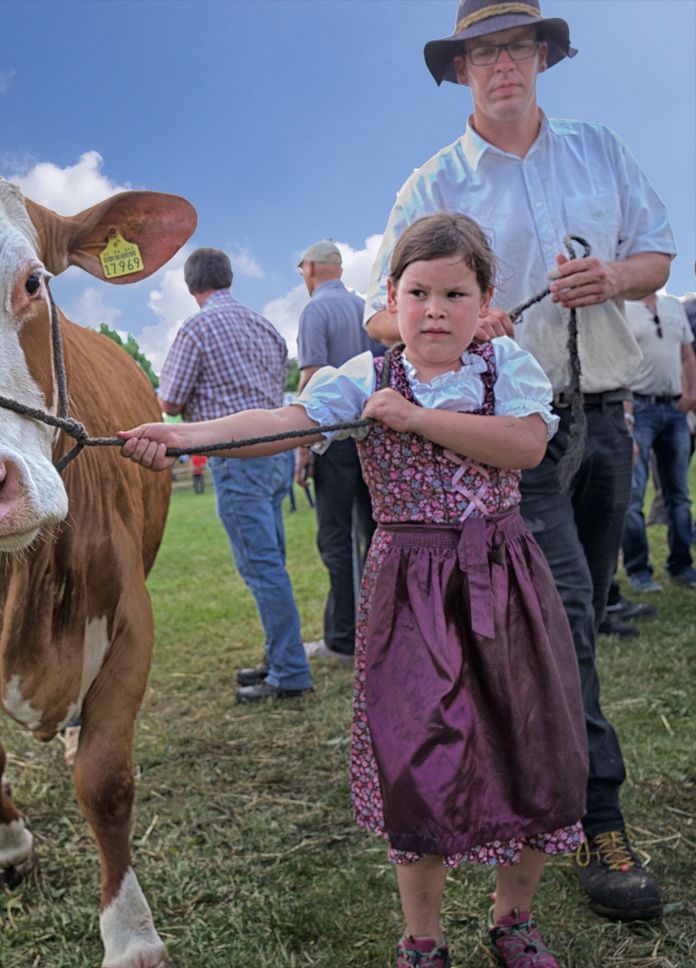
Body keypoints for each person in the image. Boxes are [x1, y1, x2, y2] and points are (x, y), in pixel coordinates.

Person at [120, 214, 587, 968]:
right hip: (410, 587)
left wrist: (416, 419)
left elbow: (528, 445)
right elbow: (285, 419)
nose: (435, 309)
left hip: (501, 576)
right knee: (418, 755)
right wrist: (190, 437)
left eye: (455, 294)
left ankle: (513, 920)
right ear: (391, 302)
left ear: (485, 299)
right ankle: (422, 940)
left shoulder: (504, 366)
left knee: (530, 743)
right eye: (418, 292)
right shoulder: (366, 376)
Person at [364, 0, 674, 922]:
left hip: (606, 410)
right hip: (513, 442)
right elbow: (385, 314)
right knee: (568, 618)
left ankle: (534, 798)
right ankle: (597, 817)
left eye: (518, 48)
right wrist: (461, 320)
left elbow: (657, 255)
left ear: (543, 56)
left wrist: (614, 278)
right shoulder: (431, 183)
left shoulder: (600, 150)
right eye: (484, 52)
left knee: (579, 612)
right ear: (461, 71)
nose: (504, 66)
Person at [156, 247, 313, 703]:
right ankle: (281, 656)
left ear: (191, 286)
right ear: (227, 277)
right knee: (272, 561)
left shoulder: (196, 330)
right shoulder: (264, 326)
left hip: (236, 455)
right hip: (276, 451)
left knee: (262, 568)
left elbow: (170, 400)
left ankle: (289, 671)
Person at [295, 240, 382, 665]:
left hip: (335, 439)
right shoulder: (367, 308)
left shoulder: (315, 310)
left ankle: (343, 638)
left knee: (334, 538)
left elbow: (312, 379)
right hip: (374, 435)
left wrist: (302, 446)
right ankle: (378, 628)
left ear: (309, 268)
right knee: (375, 534)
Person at [620, 293, 696, 592]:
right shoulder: (622, 306)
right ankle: (639, 571)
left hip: (674, 410)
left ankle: (682, 565)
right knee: (634, 496)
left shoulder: (674, 306)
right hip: (638, 409)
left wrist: (691, 394)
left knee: (679, 495)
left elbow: (687, 355)